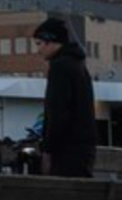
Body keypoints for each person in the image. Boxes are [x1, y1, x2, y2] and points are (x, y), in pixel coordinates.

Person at [32, 15, 96, 179]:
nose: (38, 50)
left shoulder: (60, 67)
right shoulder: (78, 65)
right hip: (83, 150)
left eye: (39, 44)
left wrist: (48, 150)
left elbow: (58, 112)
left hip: (66, 152)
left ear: (50, 41)